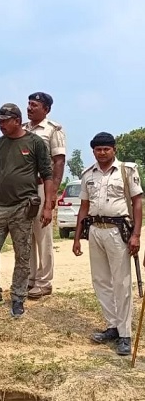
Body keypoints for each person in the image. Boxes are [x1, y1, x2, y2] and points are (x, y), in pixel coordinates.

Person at [0, 103, 53, 318]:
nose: (0, 124)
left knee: (23, 253)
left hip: (23, 206)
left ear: (17, 121)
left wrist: (48, 206)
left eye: (4, 120)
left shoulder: (35, 143)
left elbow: (47, 175)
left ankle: (18, 297)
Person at [72, 132, 142, 356]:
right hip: (95, 230)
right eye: (98, 149)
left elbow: (137, 203)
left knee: (121, 282)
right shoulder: (87, 174)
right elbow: (84, 206)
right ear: (93, 151)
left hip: (117, 231)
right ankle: (112, 326)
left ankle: (125, 334)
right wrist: (77, 237)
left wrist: (136, 235)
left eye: (106, 149)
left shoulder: (126, 171)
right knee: (100, 280)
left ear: (114, 150)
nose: (102, 153)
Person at [23, 92, 66, 299]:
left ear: (46, 109)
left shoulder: (53, 130)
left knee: (43, 235)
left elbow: (58, 162)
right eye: (29, 104)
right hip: (23, 189)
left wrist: (52, 194)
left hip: (42, 186)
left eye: (35, 105)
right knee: (26, 235)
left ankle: (44, 281)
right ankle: (30, 279)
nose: (30, 108)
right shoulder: (22, 129)